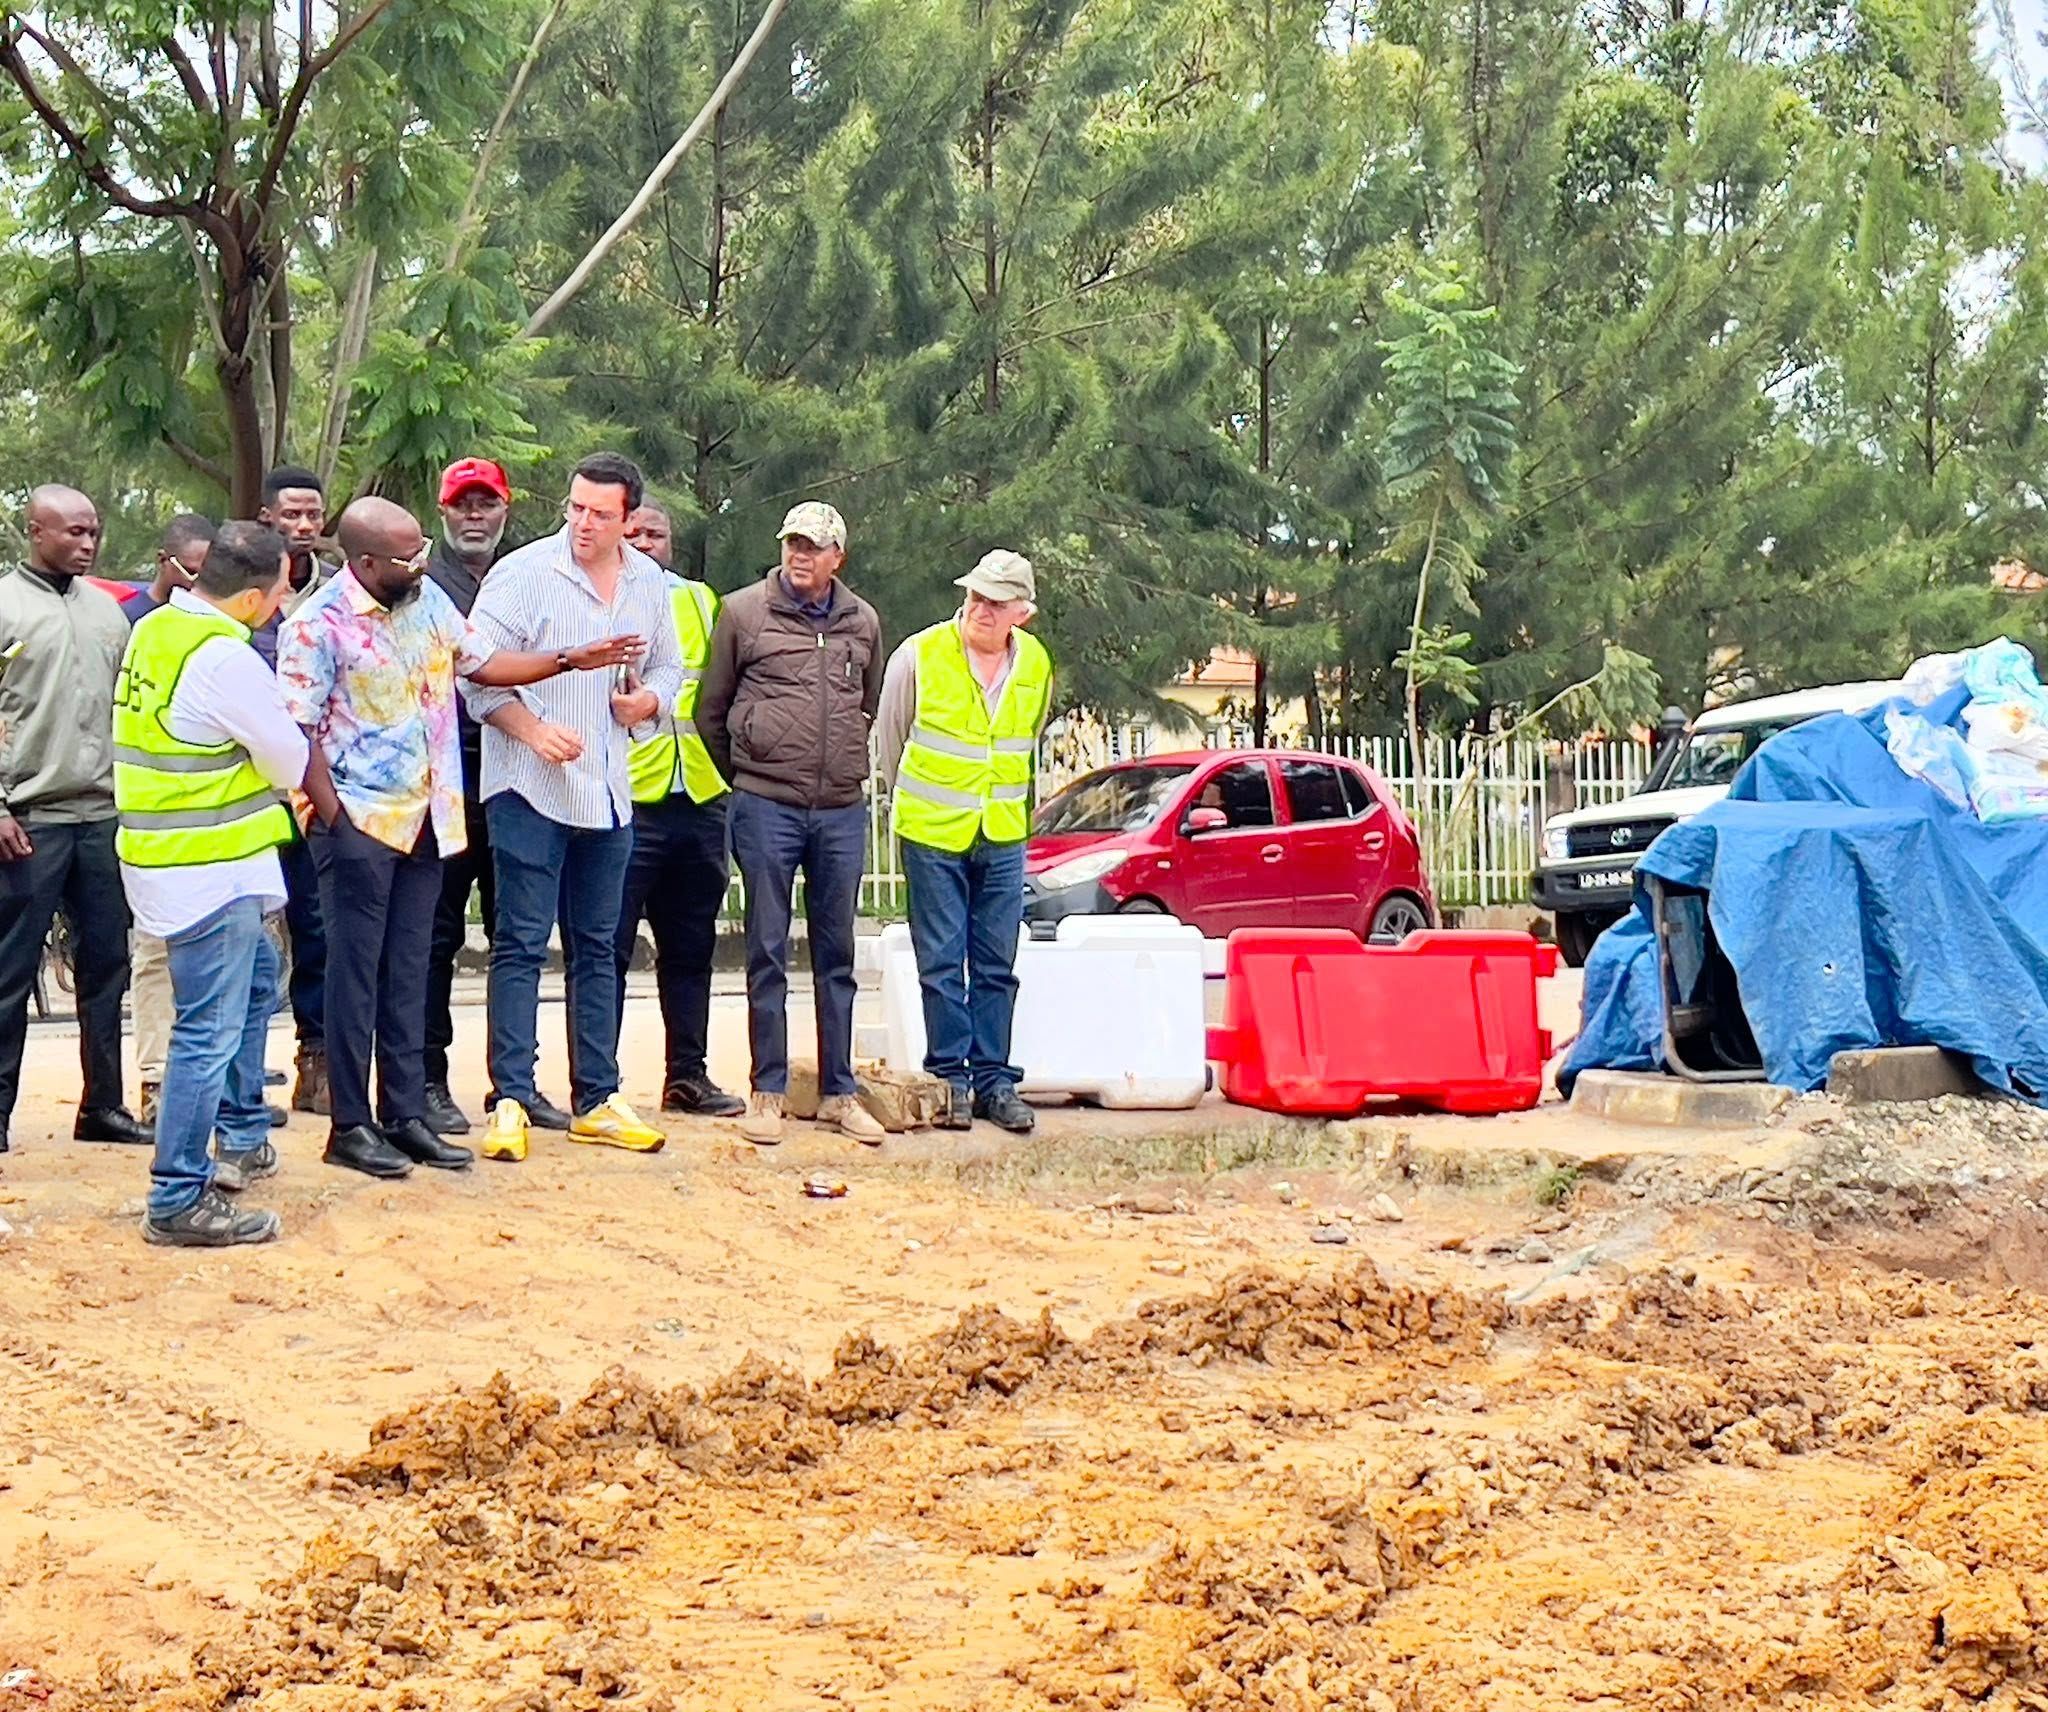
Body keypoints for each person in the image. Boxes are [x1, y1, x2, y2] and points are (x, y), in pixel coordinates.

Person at [280, 497, 647, 1179]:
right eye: (406, 556)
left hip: (429, 820)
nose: (422, 563)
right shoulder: (316, 625)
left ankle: (405, 1116)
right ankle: (350, 1126)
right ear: (363, 562)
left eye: (422, 549)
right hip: (358, 825)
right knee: (356, 976)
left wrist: (570, 659)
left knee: (410, 970)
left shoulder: (427, 604)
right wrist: (332, 820)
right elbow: (295, 733)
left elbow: (483, 664)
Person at [114, 522, 339, 1245]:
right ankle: (178, 1195)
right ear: (248, 597)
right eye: (277, 593)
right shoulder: (224, 659)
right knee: (206, 1030)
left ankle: (240, 1131)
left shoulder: (160, 628)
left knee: (252, 983)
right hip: (205, 865)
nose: (281, 605)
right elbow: (284, 760)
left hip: (169, 856)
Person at [461, 451, 682, 1162]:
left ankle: (598, 1095)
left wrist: (646, 702)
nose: (584, 524)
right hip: (527, 786)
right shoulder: (524, 574)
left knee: (599, 945)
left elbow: (668, 667)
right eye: (576, 508)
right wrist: (534, 729)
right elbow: (475, 677)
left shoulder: (647, 581)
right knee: (521, 942)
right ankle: (512, 1098)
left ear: (630, 519)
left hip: (609, 788)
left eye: (601, 514)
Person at [697, 502, 885, 1147]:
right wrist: (751, 775)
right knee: (766, 951)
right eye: (792, 544)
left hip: (838, 809)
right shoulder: (743, 612)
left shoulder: (863, 622)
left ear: (838, 557)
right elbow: (710, 712)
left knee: (838, 956)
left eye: (813, 547)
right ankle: (768, 1092)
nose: (799, 556)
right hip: (765, 806)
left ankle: (839, 1093)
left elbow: (867, 701)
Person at [419, 456, 581, 1136]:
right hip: (445, 779)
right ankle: (425, 1081)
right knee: (436, 934)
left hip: (516, 772)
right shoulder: (421, 581)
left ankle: (513, 1085)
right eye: (463, 504)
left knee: (518, 934)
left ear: (506, 509)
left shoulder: (530, 575)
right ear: (444, 510)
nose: (475, 515)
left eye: (486, 503)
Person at [876, 551, 1051, 1135]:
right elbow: (891, 739)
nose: (980, 608)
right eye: (975, 595)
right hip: (931, 832)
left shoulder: (1037, 666)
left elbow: (1026, 740)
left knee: (998, 965)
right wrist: (907, 805)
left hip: (1001, 833)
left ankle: (995, 1083)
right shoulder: (919, 655)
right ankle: (949, 1080)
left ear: (1020, 614)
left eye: (996, 601)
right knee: (942, 963)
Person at [0, 486, 150, 1156]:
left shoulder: (109, 613)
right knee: (8, 975)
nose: (87, 545)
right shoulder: (5, 604)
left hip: (103, 816)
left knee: (105, 967)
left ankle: (103, 1106)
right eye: (73, 533)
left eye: (94, 533)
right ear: (35, 531)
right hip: (28, 819)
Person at [618, 501, 744, 1118]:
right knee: (606, 950)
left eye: (655, 534)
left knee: (691, 949)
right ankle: (600, 1084)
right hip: (625, 801)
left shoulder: (700, 600)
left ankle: (686, 1076)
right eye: (632, 532)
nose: (644, 542)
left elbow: (724, 692)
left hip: (697, 796)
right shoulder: (595, 601)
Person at [126, 515, 218, 1126]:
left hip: (214, 823)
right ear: (165, 562)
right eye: (193, 571)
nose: (201, 584)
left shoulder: (220, 627)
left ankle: (216, 1089)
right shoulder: (130, 623)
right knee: (155, 954)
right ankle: (156, 1081)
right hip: (149, 819)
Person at [256, 465, 334, 1118]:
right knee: (252, 931)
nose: (304, 526)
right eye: (291, 516)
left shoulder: (340, 595)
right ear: (267, 520)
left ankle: (318, 1060)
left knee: (316, 926)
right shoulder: (244, 593)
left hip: (314, 791)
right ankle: (241, 1071)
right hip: (250, 791)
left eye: (313, 516)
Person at [120, 514, 215, 624]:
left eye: (206, 574)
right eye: (190, 572)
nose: (197, 582)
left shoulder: (210, 619)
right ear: (163, 560)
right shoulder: (126, 617)